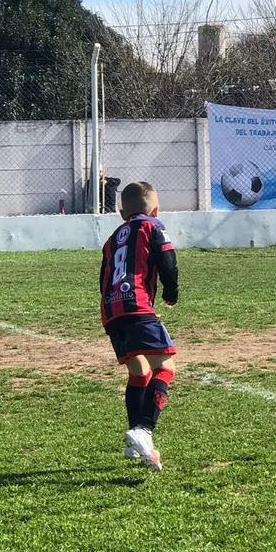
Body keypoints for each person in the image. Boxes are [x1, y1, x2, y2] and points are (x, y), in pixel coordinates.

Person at [100, 181, 180, 471]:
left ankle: (137, 442)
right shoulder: (153, 226)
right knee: (166, 366)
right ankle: (144, 430)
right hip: (137, 305)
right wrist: (171, 293)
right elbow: (168, 260)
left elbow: (103, 276)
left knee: (140, 371)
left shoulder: (111, 239)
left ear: (122, 213)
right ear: (156, 210)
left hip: (111, 310)